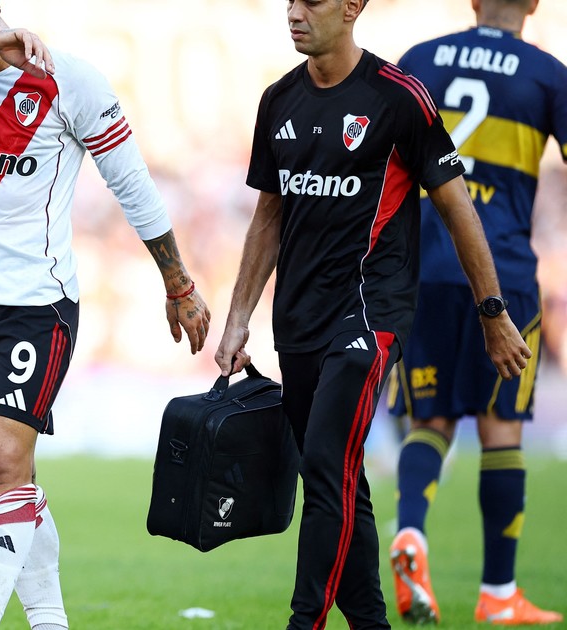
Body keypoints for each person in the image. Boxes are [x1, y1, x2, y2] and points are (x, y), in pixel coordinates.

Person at [0, 2, 211, 628]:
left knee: (2, 462)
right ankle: (50, 620)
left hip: (34, 304)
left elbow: (131, 182)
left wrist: (178, 283)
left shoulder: (71, 80)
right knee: (6, 474)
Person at [213, 0, 532, 628]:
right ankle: (371, 622)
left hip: (369, 315)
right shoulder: (278, 100)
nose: (294, 12)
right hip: (296, 322)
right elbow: (268, 217)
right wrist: (238, 316)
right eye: (290, 0)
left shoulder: (398, 98)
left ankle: (304, 621)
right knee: (340, 476)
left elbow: (457, 208)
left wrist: (492, 311)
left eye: (311, 1)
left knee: (325, 464)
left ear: (352, 7)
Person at [386, 0, 567, 624]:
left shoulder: (419, 60)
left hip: (425, 270)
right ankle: (499, 594)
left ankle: (411, 531)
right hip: (504, 273)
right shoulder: (548, 75)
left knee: (429, 420)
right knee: (501, 428)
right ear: (534, 4)